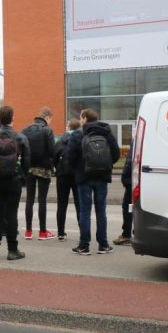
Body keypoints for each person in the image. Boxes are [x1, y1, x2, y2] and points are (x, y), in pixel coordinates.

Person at [64, 108, 120, 255]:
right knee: (101, 211)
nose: (80, 120)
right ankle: (103, 245)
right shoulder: (107, 133)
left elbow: (70, 157)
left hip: (84, 178)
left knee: (85, 212)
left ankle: (84, 245)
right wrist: (105, 166)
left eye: (81, 117)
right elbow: (116, 154)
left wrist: (78, 168)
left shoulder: (77, 135)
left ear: (85, 119)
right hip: (102, 177)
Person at [0, 106, 30, 261]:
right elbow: (27, 161)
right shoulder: (20, 137)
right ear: (13, 118)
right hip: (14, 180)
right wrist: (23, 177)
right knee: (12, 215)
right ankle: (13, 250)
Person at [21, 107, 57, 240]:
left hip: (29, 168)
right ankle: (42, 232)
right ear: (47, 117)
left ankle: (28, 231)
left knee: (29, 200)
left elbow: (22, 148)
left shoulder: (26, 129)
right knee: (42, 200)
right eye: (51, 119)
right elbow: (52, 150)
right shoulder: (47, 130)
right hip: (44, 168)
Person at [53, 118, 82, 241]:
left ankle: (60, 232)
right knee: (79, 204)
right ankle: (83, 232)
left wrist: (58, 169)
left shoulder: (60, 141)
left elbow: (54, 158)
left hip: (62, 175)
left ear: (68, 127)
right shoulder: (81, 139)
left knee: (62, 204)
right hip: (77, 175)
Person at [114, 145, 134, 245]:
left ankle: (126, 234)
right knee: (135, 207)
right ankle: (137, 233)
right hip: (141, 179)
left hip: (133, 181)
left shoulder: (138, 139)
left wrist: (125, 178)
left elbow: (129, 162)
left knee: (128, 207)